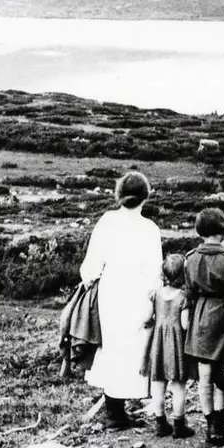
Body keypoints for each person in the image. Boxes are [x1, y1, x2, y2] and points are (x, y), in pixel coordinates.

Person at [80, 171, 163, 430]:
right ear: (145, 198)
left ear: (119, 195)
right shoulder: (150, 228)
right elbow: (156, 273)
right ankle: (119, 410)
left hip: (111, 293)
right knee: (133, 347)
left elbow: (91, 266)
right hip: (138, 295)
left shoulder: (107, 221)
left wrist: (90, 280)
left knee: (111, 345)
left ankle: (115, 412)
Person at [182, 207, 224, 446]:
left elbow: (188, 294)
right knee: (223, 373)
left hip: (199, 316)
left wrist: (187, 319)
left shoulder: (190, 258)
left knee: (204, 374)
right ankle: (219, 425)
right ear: (223, 231)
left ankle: (209, 424)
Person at [142, 254, 196, 439]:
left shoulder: (156, 294)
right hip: (175, 345)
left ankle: (160, 423)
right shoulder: (183, 298)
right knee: (178, 384)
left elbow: (148, 317)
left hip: (158, 344)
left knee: (158, 383)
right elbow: (184, 325)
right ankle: (179, 425)